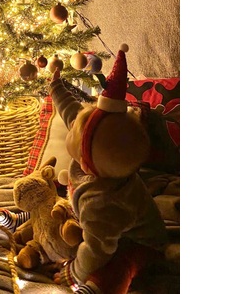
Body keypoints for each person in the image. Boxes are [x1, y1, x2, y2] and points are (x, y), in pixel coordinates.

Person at [50, 44, 168, 294]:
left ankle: (94, 289)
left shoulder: (103, 203)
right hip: (107, 225)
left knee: (120, 266)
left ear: (85, 164)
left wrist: (76, 271)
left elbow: (97, 250)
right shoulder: (94, 141)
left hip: (141, 244)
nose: (71, 126)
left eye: (72, 133)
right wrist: (56, 87)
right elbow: (71, 112)